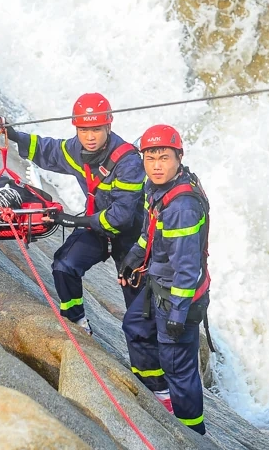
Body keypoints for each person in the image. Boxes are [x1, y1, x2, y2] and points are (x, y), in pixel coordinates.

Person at [5, 93, 145, 334]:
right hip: (96, 226)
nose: (89, 137)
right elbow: (49, 150)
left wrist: (72, 221)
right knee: (63, 266)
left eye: (96, 129)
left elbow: (120, 218)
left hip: (130, 236)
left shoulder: (129, 162)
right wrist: (15, 135)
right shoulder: (76, 149)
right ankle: (77, 321)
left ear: (108, 126)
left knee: (139, 311)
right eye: (83, 130)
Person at [117, 124, 210, 435]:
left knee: (179, 368)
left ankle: (192, 433)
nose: (156, 165)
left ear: (179, 158)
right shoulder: (155, 188)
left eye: (164, 158)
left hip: (177, 294)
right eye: (150, 157)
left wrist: (178, 313)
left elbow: (187, 266)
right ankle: (160, 395)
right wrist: (132, 258)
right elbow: (149, 233)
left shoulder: (182, 207)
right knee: (135, 327)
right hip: (158, 284)